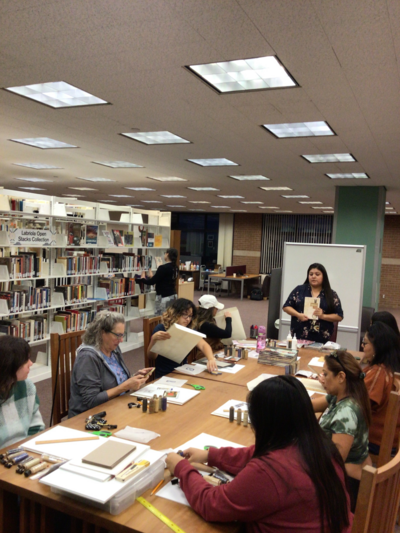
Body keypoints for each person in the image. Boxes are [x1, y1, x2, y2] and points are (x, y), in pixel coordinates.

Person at [166, 376, 352, 533]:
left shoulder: (269, 472)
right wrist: (210, 455)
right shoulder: (320, 445)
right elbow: (257, 453)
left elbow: (212, 504)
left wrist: (182, 469)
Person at [311, 350, 371, 510]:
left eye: (325, 373)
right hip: (342, 477)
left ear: (341, 377)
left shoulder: (346, 413)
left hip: (346, 487)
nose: (322, 378)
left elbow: (334, 462)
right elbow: (308, 406)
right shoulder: (342, 395)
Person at [69, 312, 151, 417]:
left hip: (115, 407)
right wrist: (125, 386)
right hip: (90, 417)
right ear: (102, 332)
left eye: (122, 335)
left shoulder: (113, 349)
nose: (121, 340)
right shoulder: (87, 357)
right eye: (118, 335)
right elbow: (91, 401)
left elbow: (115, 378)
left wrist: (134, 378)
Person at [148, 298, 218, 378]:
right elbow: (151, 357)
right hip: (165, 374)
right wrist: (153, 340)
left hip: (183, 371)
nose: (188, 319)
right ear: (175, 313)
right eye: (184, 315)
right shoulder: (162, 328)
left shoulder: (189, 329)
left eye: (190, 316)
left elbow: (203, 345)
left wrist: (211, 358)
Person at [361, 321, 400, 454]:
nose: (362, 346)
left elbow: (356, 406)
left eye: (365, 343)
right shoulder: (387, 367)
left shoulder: (378, 373)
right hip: (387, 436)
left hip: (376, 440)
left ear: (377, 347)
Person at [0, 336, 45, 448]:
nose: (31, 363)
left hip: (23, 452)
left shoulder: (27, 386)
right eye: (26, 360)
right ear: (11, 366)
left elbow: (37, 428)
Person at [283, 263, 343, 343]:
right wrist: (298, 315)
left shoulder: (331, 294)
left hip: (322, 339)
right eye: (311, 274)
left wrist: (323, 316)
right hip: (299, 336)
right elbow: (286, 307)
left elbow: (339, 316)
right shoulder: (299, 290)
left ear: (323, 277)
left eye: (317, 274)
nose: (313, 276)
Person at [137, 248, 178, 316]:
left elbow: (152, 282)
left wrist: (142, 279)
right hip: (173, 295)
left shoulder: (163, 268)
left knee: (160, 317)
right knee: (171, 316)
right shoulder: (175, 267)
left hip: (163, 297)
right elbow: (164, 279)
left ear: (167, 254)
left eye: (165, 253)